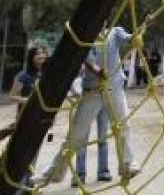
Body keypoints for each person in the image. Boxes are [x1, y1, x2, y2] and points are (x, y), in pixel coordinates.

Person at [37, 26, 142, 186]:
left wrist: (143, 27)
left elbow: (130, 38)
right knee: (76, 135)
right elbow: (86, 58)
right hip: (92, 90)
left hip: (114, 88)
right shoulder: (87, 35)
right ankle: (53, 173)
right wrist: (97, 70)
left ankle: (127, 165)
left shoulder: (115, 32)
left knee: (124, 125)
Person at [5, 45, 49, 186]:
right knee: (23, 147)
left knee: (35, 147)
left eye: (43, 53)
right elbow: (12, 96)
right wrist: (28, 100)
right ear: (31, 57)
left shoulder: (47, 74)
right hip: (25, 117)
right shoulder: (23, 75)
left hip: (41, 117)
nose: (41, 55)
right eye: (37, 54)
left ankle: (28, 177)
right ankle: (19, 177)